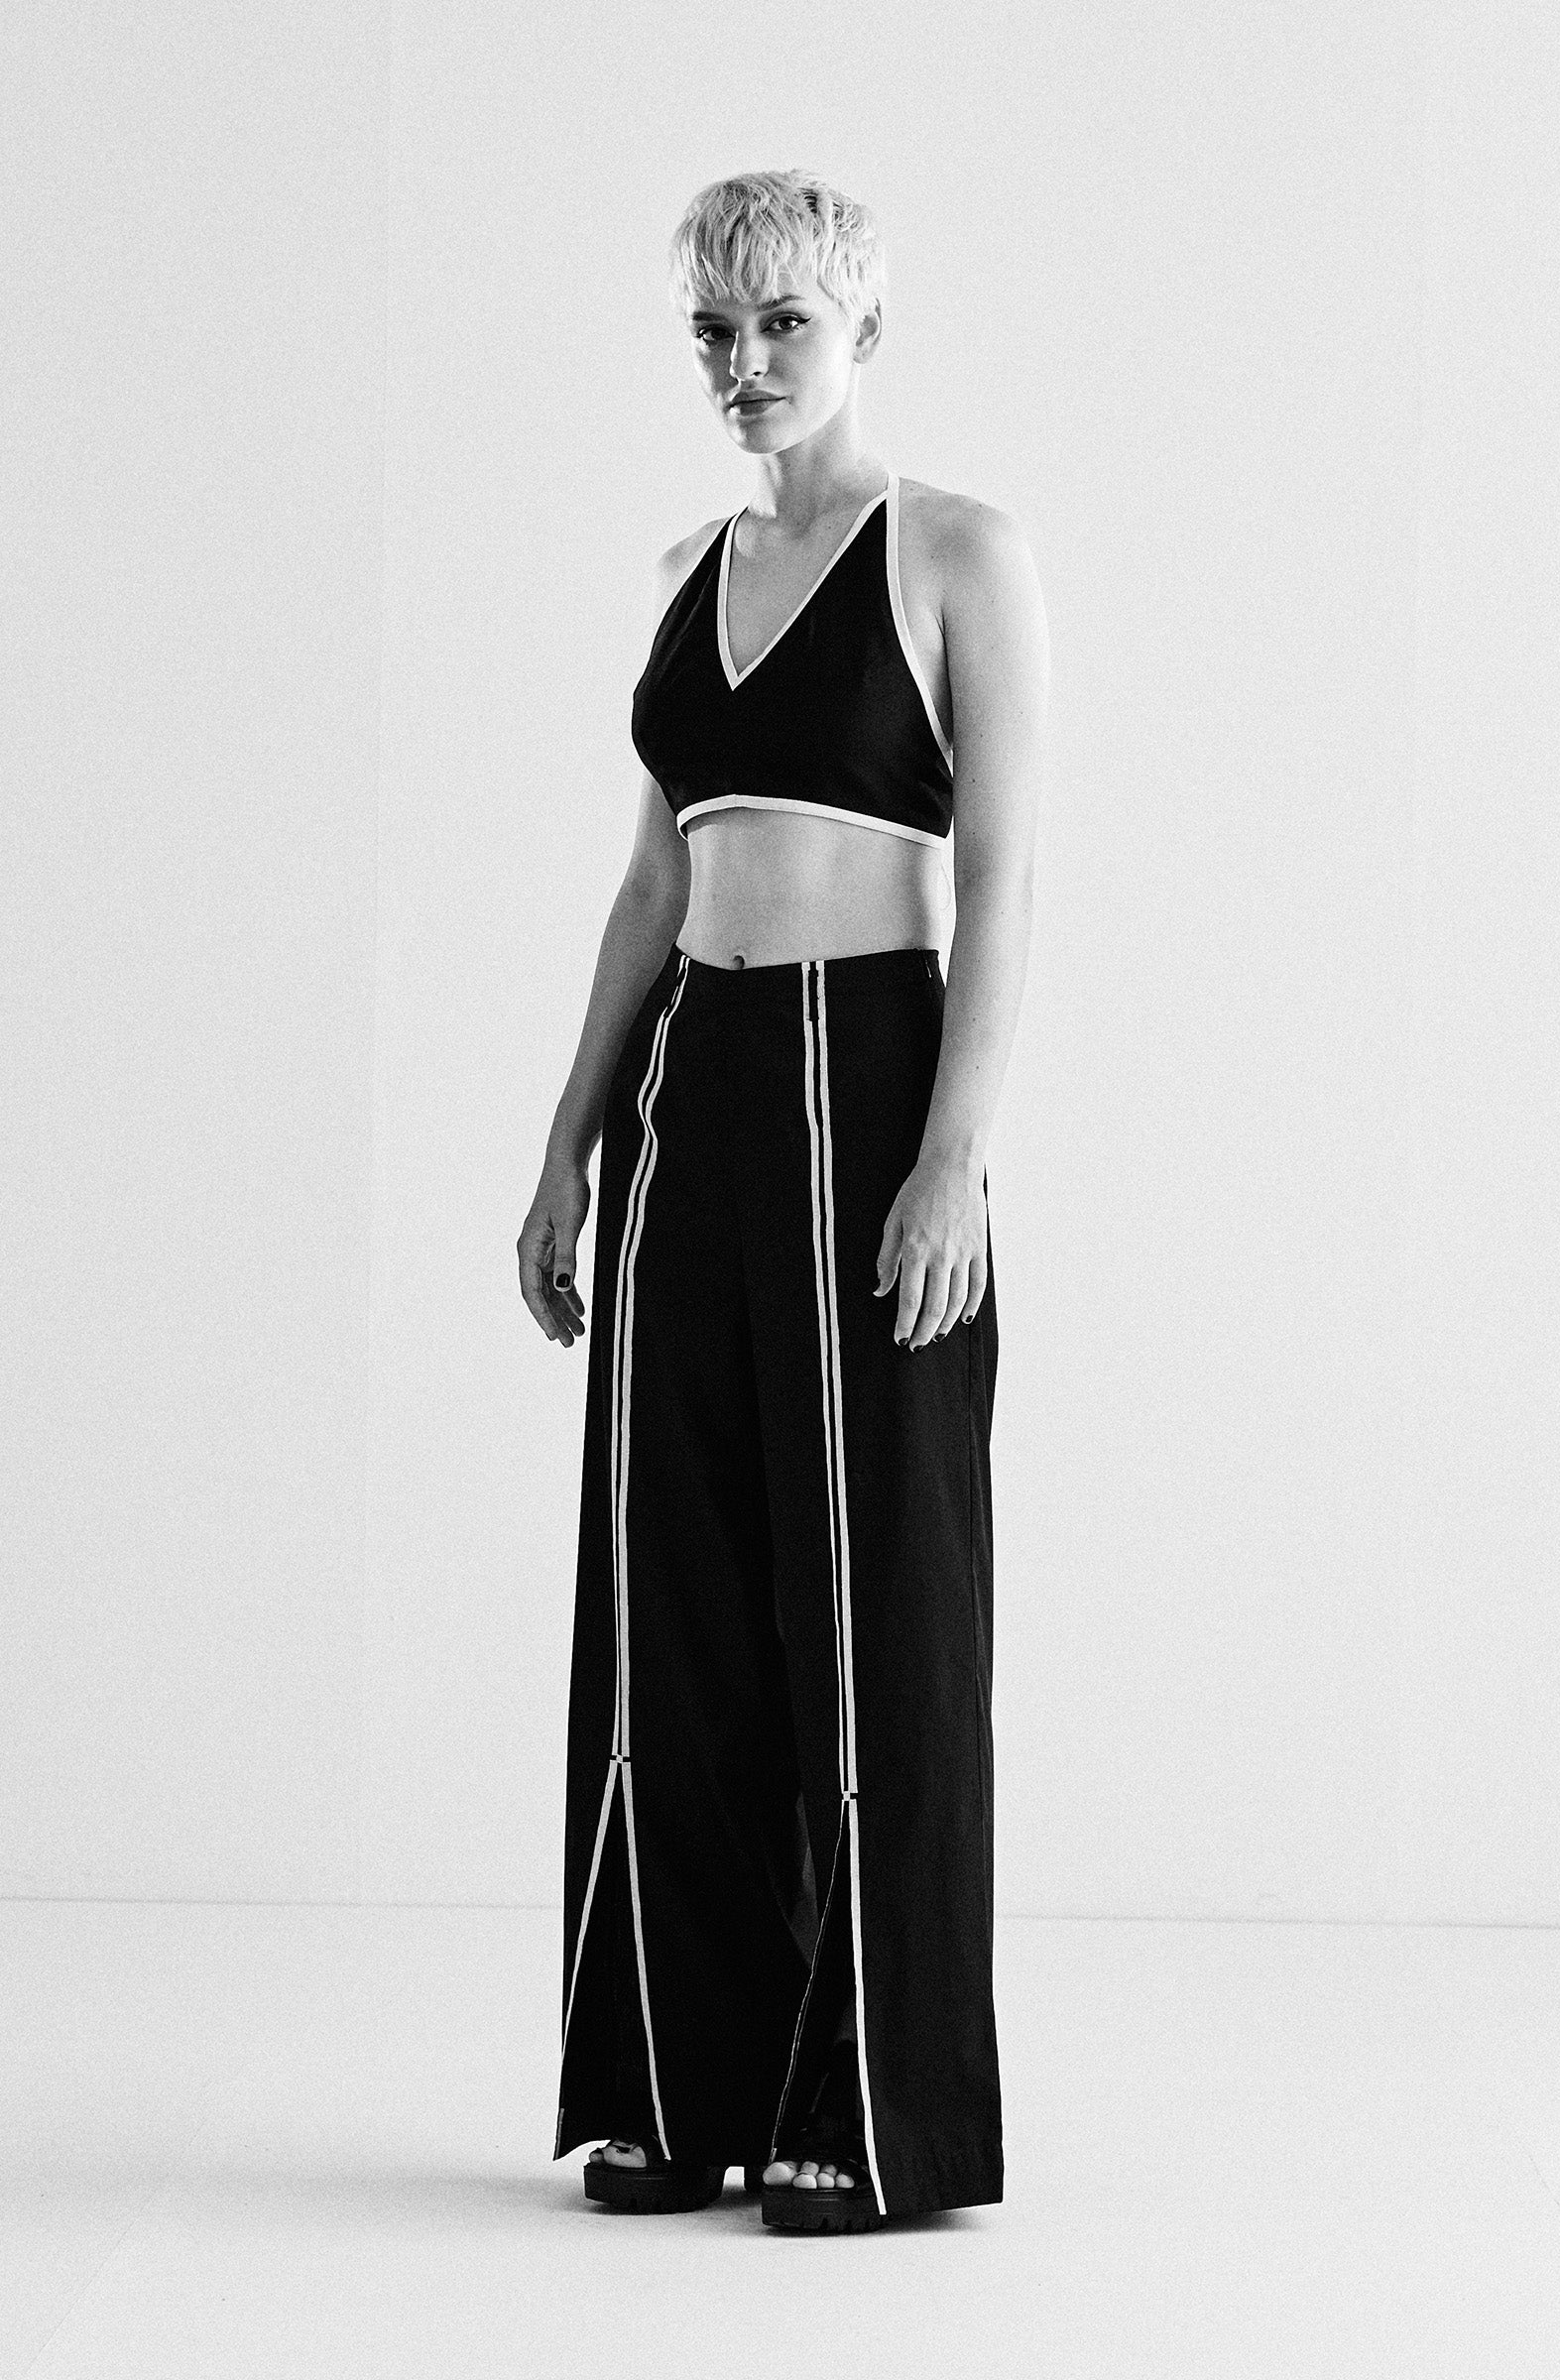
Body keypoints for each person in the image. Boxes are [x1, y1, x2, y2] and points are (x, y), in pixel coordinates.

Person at [518, 168, 1048, 2232]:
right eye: (713, 335)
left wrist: (955, 1157)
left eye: (783, 329)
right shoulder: (684, 571)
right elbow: (655, 873)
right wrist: (567, 1141)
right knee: (676, 1599)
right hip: (697, 1086)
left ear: (862, 333)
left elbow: (1003, 871)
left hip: (873, 1074)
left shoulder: (955, 554)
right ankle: (683, 2076)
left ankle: (870, 2112)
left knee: (874, 1605)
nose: (744, 366)